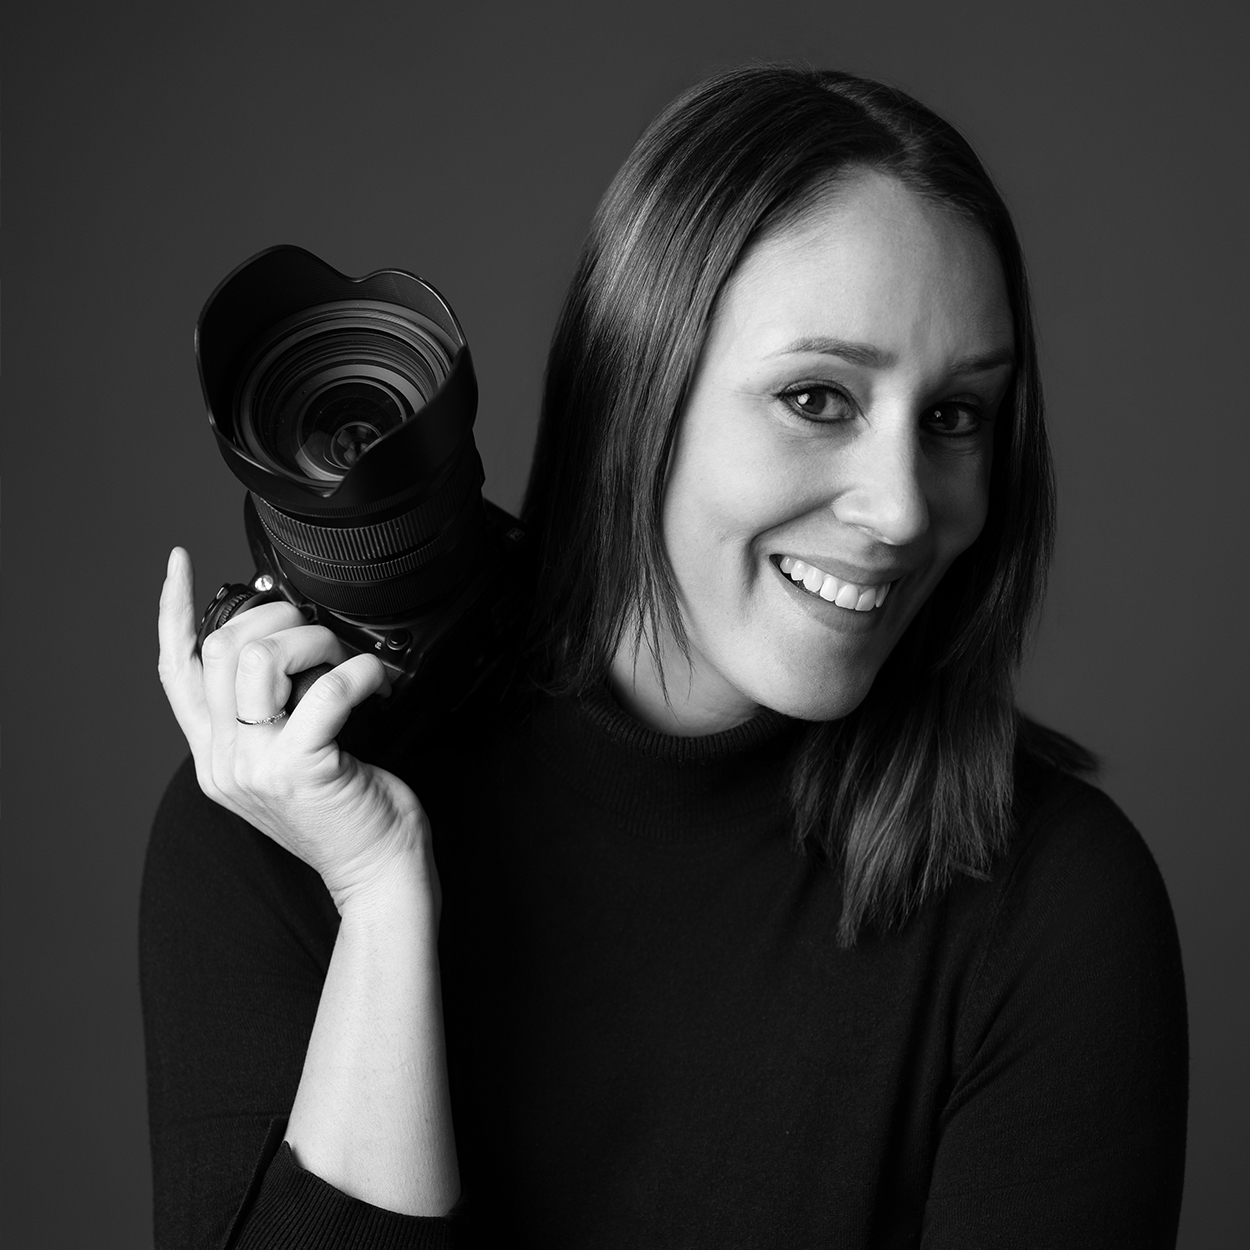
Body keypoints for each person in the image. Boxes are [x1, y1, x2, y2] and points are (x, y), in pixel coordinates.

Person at [143, 65, 1188, 1248]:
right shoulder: (284, 823)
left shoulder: (1052, 903)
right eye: (816, 398)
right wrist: (380, 906)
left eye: (954, 417)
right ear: (635, 390)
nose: (902, 508)